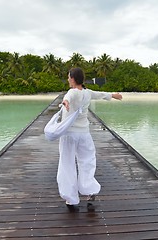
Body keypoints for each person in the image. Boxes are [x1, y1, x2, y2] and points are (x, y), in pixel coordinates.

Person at [57, 67, 122, 212]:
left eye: (69, 77)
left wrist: (66, 103)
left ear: (73, 78)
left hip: (69, 135)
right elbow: (100, 94)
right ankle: (89, 190)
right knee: (87, 161)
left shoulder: (72, 91)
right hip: (84, 134)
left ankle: (70, 198)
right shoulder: (87, 93)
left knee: (67, 163)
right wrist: (113, 95)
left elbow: (68, 98)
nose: (68, 79)